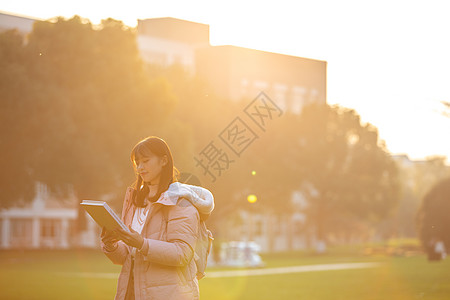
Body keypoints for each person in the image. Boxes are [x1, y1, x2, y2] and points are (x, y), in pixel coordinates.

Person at [101, 136, 214, 300]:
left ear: (164, 161)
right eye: (137, 162)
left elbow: (182, 253)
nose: (140, 167)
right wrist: (110, 244)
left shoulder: (181, 202)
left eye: (145, 160)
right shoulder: (136, 201)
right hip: (132, 293)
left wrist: (141, 243)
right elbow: (127, 257)